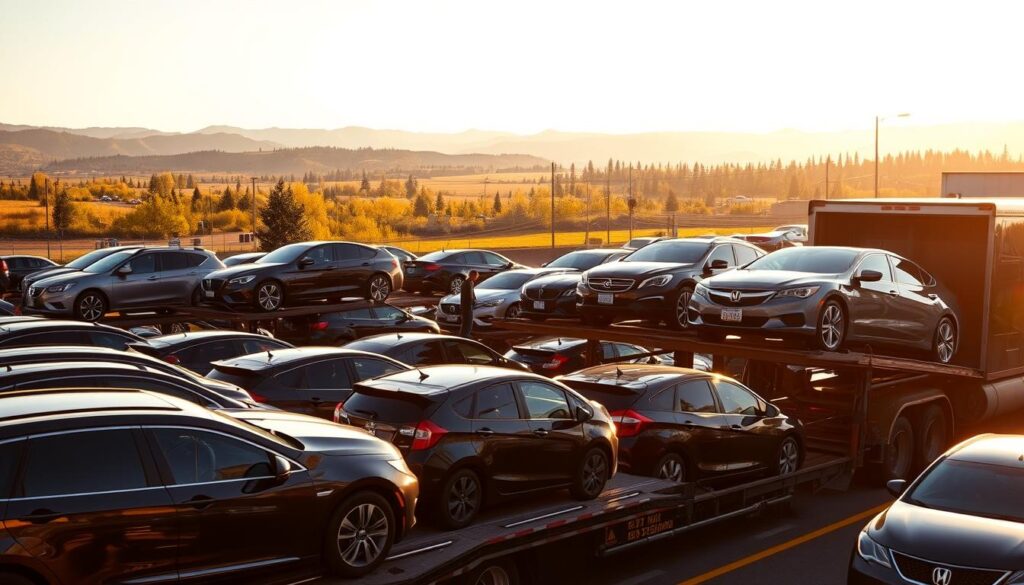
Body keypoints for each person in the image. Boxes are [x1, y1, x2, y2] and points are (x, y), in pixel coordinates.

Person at [459, 270, 479, 338]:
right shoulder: (467, 283)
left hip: (468, 305)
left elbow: (472, 294)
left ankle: (464, 334)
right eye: (476, 276)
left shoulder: (470, 283)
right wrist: (471, 302)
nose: (476, 278)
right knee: (467, 321)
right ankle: (465, 335)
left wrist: (474, 300)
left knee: (468, 321)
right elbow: (467, 296)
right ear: (472, 275)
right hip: (466, 305)